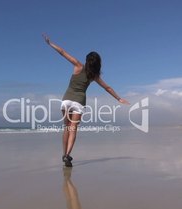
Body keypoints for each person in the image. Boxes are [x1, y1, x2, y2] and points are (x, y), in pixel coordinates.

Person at [43, 34, 130, 167]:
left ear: (87, 60)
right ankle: (67, 155)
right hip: (79, 103)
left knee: (66, 128)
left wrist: (50, 43)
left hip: (66, 100)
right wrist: (119, 98)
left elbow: (62, 52)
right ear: (97, 63)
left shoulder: (77, 65)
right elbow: (107, 88)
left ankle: (63, 153)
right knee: (74, 129)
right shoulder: (94, 75)